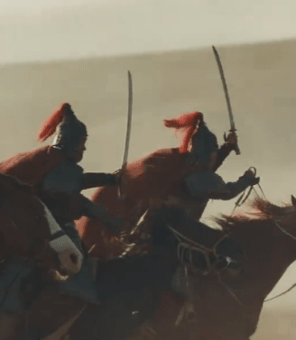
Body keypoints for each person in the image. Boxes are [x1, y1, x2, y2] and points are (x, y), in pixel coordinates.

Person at [76, 111, 258, 301]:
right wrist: (246, 180)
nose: (214, 155)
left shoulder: (181, 164)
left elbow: (207, 170)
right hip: (162, 234)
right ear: (204, 154)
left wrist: (227, 148)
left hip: (151, 227)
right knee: (184, 282)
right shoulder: (193, 176)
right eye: (213, 151)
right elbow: (223, 190)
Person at [0, 102, 125, 338]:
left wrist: (109, 178)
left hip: (31, 229)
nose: (84, 149)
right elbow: (76, 200)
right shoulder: (63, 170)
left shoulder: (51, 164)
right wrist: (108, 218)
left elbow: (77, 181)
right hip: (55, 232)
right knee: (76, 269)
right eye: (82, 144)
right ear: (72, 142)